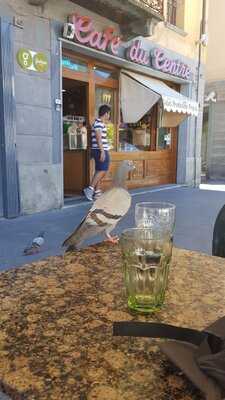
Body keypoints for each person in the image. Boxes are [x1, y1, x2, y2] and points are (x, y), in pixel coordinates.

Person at [83, 104, 111, 201]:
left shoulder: (98, 123)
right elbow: (98, 138)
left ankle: (97, 192)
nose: (109, 116)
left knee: (99, 170)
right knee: (103, 170)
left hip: (98, 149)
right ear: (106, 113)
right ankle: (90, 189)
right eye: (109, 114)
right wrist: (102, 151)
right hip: (100, 150)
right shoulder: (98, 123)